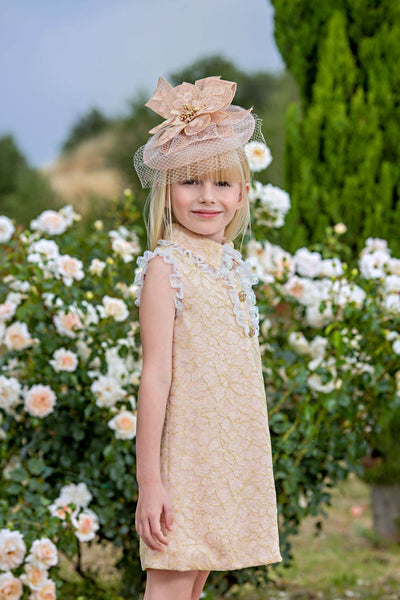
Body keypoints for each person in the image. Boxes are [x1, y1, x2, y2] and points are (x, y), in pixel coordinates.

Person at [133, 75, 282, 600]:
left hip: (228, 456)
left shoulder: (232, 267)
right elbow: (155, 377)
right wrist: (151, 483)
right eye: (190, 182)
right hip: (187, 460)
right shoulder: (166, 267)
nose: (206, 197)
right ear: (166, 190)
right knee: (170, 588)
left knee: (193, 587)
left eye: (221, 184)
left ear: (242, 195)